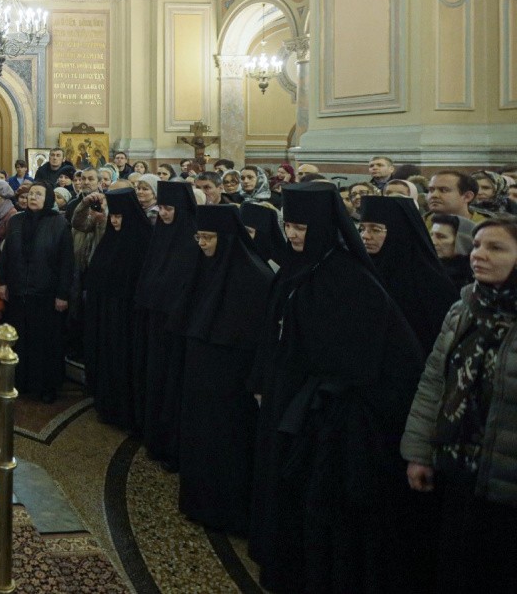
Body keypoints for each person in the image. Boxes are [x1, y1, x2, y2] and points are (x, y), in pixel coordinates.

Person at [250, 183, 425, 594]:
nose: (293, 235)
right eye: (289, 226)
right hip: (287, 393)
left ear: (324, 227)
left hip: (325, 409)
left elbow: (368, 353)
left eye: (301, 227)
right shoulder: (296, 268)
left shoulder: (348, 276)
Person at [401, 219, 517, 594]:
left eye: (496, 248)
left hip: (507, 477)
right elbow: (435, 382)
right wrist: (420, 453)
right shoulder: (464, 307)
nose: (479, 254)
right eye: (478, 245)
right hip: (459, 467)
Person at [178, 205, 273, 535]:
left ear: (228, 238)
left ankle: (225, 512)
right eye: (199, 237)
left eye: (208, 237)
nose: (202, 244)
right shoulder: (205, 267)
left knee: (228, 445)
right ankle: (198, 503)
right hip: (201, 376)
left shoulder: (256, 278)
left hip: (232, 382)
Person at [138, 180, 202, 468]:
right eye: (161, 207)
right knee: (156, 380)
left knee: (173, 385)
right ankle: (155, 438)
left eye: (168, 208)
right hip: (157, 322)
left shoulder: (192, 238)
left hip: (178, 327)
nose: (163, 213)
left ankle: (172, 445)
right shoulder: (160, 234)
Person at [0, 181, 74, 403]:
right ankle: (22, 382)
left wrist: (62, 294)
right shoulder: (16, 221)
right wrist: (3, 282)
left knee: (45, 343)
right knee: (21, 340)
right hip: (18, 292)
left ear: (47, 198)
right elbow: (6, 255)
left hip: (46, 295)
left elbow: (66, 262)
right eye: (31, 194)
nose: (33, 197)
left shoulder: (59, 223)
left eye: (38, 194)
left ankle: (47, 387)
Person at [81, 189, 152, 428]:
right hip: (105, 315)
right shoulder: (110, 238)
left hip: (127, 320)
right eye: (112, 216)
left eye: (120, 217)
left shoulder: (142, 241)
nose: (114, 221)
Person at [359, 195, 460, 355]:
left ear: (399, 231)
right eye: (362, 228)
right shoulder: (361, 271)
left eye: (375, 229)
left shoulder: (431, 281)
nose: (365, 235)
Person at [429, 213, 475, 288]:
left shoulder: (476, 275)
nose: (433, 242)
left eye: (441, 236)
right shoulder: (428, 267)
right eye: (431, 235)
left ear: (463, 241)